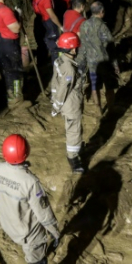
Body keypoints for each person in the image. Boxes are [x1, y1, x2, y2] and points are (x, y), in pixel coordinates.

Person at [0, 134, 60, 264]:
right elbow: (43, 213)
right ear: (26, 152)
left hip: (8, 223)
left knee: (32, 250)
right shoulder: (29, 182)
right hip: (28, 233)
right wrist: (55, 232)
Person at [50, 32, 86, 173]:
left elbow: (55, 82)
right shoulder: (69, 68)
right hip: (71, 104)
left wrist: (54, 102)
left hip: (68, 102)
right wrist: (56, 106)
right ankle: (73, 159)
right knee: (74, 131)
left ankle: (75, 150)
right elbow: (64, 89)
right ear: (73, 49)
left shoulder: (60, 60)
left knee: (74, 130)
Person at [79, 1, 119, 114]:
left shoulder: (84, 25)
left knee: (94, 85)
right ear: (101, 12)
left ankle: (98, 108)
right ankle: (111, 107)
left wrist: (81, 61)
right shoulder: (102, 26)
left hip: (91, 61)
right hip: (103, 61)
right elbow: (111, 47)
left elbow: (82, 45)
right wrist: (115, 64)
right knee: (109, 85)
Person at [32, 0, 62, 64]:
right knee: (55, 47)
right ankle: (56, 66)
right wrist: (60, 26)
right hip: (48, 22)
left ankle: (40, 65)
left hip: (38, 21)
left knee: (41, 44)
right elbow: (52, 15)